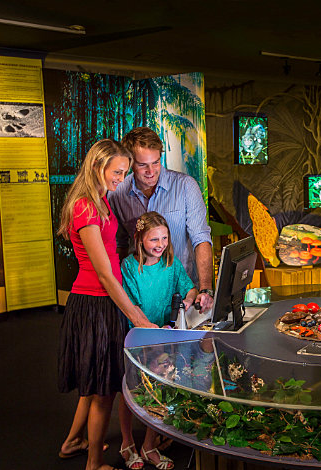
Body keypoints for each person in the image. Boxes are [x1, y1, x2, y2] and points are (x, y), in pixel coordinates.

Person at [57, 139, 158, 470]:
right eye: (117, 172)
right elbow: (104, 274)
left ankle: (74, 441)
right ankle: (94, 463)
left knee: (92, 383)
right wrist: (136, 316)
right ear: (97, 166)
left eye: (125, 172)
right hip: (95, 303)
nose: (121, 178)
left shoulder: (99, 200)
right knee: (103, 391)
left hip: (103, 301)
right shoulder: (86, 207)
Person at [117, 211, 198, 469]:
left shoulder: (170, 263)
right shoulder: (129, 267)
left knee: (162, 387)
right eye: (154, 239)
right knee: (131, 389)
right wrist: (151, 329)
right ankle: (127, 442)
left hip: (165, 335)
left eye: (164, 238)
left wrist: (188, 300)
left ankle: (149, 444)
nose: (160, 244)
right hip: (139, 336)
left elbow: (189, 287)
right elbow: (132, 306)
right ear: (140, 239)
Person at [108, 127, 214, 313]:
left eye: (156, 162)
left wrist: (205, 289)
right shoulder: (117, 194)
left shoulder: (185, 186)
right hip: (142, 300)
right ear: (130, 163)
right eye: (143, 165)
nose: (151, 171)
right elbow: (120, 245)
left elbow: (201, 239)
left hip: (184, 294)